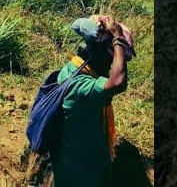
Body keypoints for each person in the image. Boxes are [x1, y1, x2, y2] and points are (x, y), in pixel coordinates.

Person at [50, 15, 134, 186]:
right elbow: (118, 82)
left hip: (83, 158)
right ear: (101, 55)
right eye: (113, 58)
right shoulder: (80, 85)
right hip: (80, 171)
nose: (114, 64)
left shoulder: (75, 68)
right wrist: (117, 38)